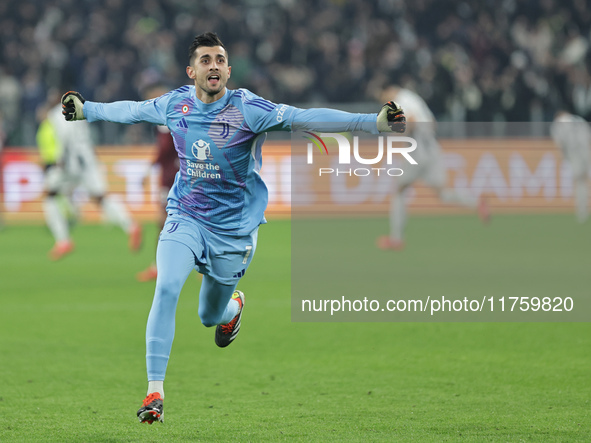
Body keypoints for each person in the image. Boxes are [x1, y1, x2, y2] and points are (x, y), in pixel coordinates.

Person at [61, 32, 406, 424]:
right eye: (205, 59)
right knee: (168, 285)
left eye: (220, 59)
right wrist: (87, 110)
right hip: (185, 216)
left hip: (233, 233)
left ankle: (232, 309)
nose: (214, 65)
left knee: (209, 316)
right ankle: (154, 391)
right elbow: (133, 110)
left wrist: (371, 121)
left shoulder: (248, 109)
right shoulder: (176, 104)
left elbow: (303, 117)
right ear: (192, 71)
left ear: (227, 70)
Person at [376, 85, 489, 251]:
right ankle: (477, 203)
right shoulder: (413, 98)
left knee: (399, 190)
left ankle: (396, 239)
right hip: (432, 148)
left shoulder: (400, 101)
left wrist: (396, 134)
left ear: (390, 90)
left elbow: (412, 121)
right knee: (443, 193)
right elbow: (432, 123)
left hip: (418, 149)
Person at [36, 92, 143, 260]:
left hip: (71, 162)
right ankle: (131, 225)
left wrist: (60, 158)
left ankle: (63, 241)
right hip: (88, 159)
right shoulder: (80, 109)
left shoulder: (56, 112)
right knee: (100, 197)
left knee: (49, 196)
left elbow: (64, 136)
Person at [136, 84, 179, 282]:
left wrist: (147, 169)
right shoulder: (165, 120)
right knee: (165, 222)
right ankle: (158, 266)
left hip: (177, 177)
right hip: (170, 177)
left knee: (165, 222)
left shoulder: (169, 119)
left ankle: (158, 267)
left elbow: (164, 151)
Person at [550, 110, 591, 223]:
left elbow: (560, 142)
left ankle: (582, 212)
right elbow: (588, 135)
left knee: (579, 183)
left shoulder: (558, 124)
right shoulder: (578, 119)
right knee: (585, 181)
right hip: (586, 152)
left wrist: (564, 157)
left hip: (574, 154)